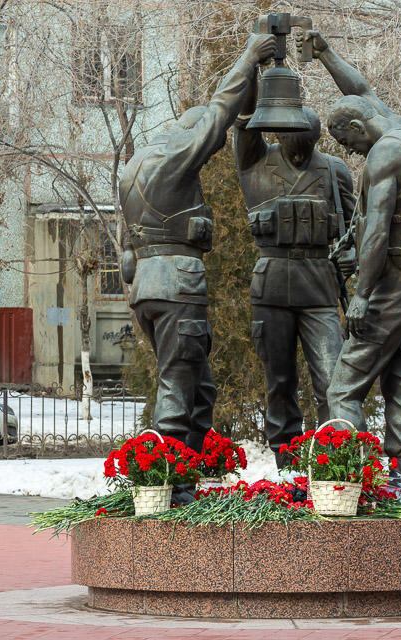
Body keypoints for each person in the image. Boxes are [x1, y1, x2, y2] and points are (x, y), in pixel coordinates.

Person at [119, 33, 277, 450]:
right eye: (211, 150)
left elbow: (126, 245)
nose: (211, 155)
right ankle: (170, 482)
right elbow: (220, 112)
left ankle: (197, 464)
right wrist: (249, 58)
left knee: (198, 385)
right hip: (176, 284)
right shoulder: (175, 156)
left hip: (146, 286)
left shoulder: (132, 166)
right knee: (177, 380)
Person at [303, 30, 401, 478]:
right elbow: (361, 92)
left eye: (348, 144)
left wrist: (362, 295)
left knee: (344, 384)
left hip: (394, 279)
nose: (351, 153)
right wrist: (326, 53)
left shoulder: (384, 154)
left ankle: (346, 475)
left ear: (360, 129)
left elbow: (377, 231)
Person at [233, 65, 356, 469]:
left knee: (332, 378)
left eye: (303, 145)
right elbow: (244, 121)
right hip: (271, 286)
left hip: (319, 284)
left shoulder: (334, 169)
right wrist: (252, 66)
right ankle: (286, 461)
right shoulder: (255, 160)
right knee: (279, 381)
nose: (295, 150)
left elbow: (353, 226)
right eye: (289, 140)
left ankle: (335, 460)